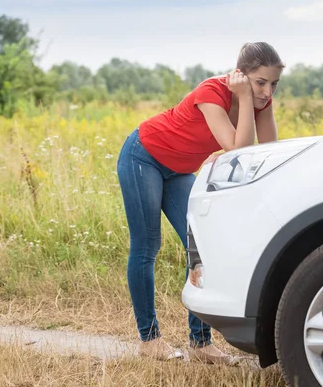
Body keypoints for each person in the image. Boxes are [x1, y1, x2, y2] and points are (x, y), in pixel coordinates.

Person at [116, 42, 285, 365]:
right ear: (240, 75)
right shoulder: (212, 92)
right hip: (144, 155)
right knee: (147, 245)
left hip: (179, 170)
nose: (266, 91)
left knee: (203, 248)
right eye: (260, 82)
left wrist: (250, 100)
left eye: (273, 84)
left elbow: (263, 151)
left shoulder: (260, 102)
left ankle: (200, 343)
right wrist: (245, 99)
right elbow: (238, 150)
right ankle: (149, 339)